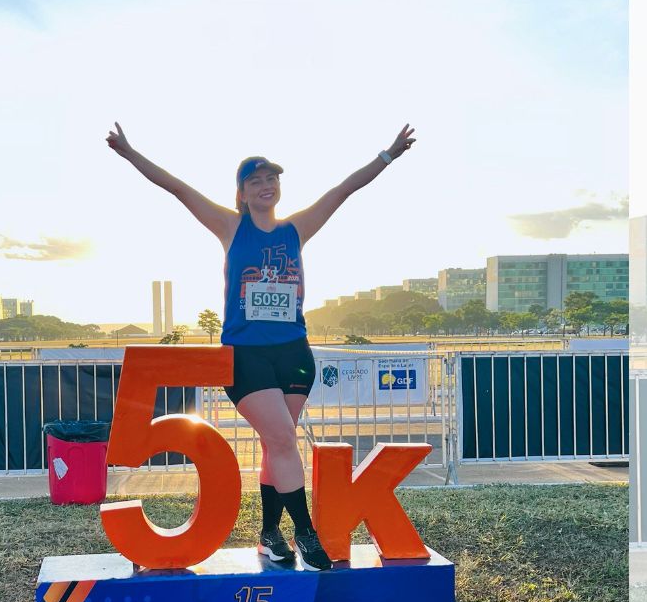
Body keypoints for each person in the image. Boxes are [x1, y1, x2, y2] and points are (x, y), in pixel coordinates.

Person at [107, 122, 416, 571]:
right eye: (256, 181)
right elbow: (177, 188)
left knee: (278, 446)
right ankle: (305, 532)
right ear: (242, 193)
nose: (266, 186)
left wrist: (389, 155)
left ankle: (270, 535)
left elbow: (344, 188)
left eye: (272, 179)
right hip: (247, 356)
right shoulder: (231, 227)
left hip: (294, 353)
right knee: (283, 440)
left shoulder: (297, 229)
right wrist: (131, 153)